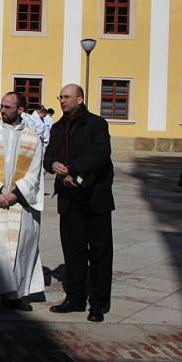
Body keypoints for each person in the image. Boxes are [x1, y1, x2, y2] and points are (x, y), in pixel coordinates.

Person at [44, 84, 115, 323]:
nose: (62, 101)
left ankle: (98, 303)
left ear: (80, 99)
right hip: (69, 198)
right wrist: (53, 165)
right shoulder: (57, 127)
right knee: (73, 251)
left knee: (99, 252)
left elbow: (100, 156)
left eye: (66, 97)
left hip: (95, 198)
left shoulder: (96, 124)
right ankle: (75, 298)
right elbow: (49, 156)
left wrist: (76, 173)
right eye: (60, 97)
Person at [0, 92, 45, 313]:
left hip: (19, 202)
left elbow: (35, 171)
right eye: (1, 106)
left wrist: (15, 194)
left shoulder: (32, 137)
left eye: (8, 107)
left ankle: (14, 294)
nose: (2, 110)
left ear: (21, 110)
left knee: (20, 247)